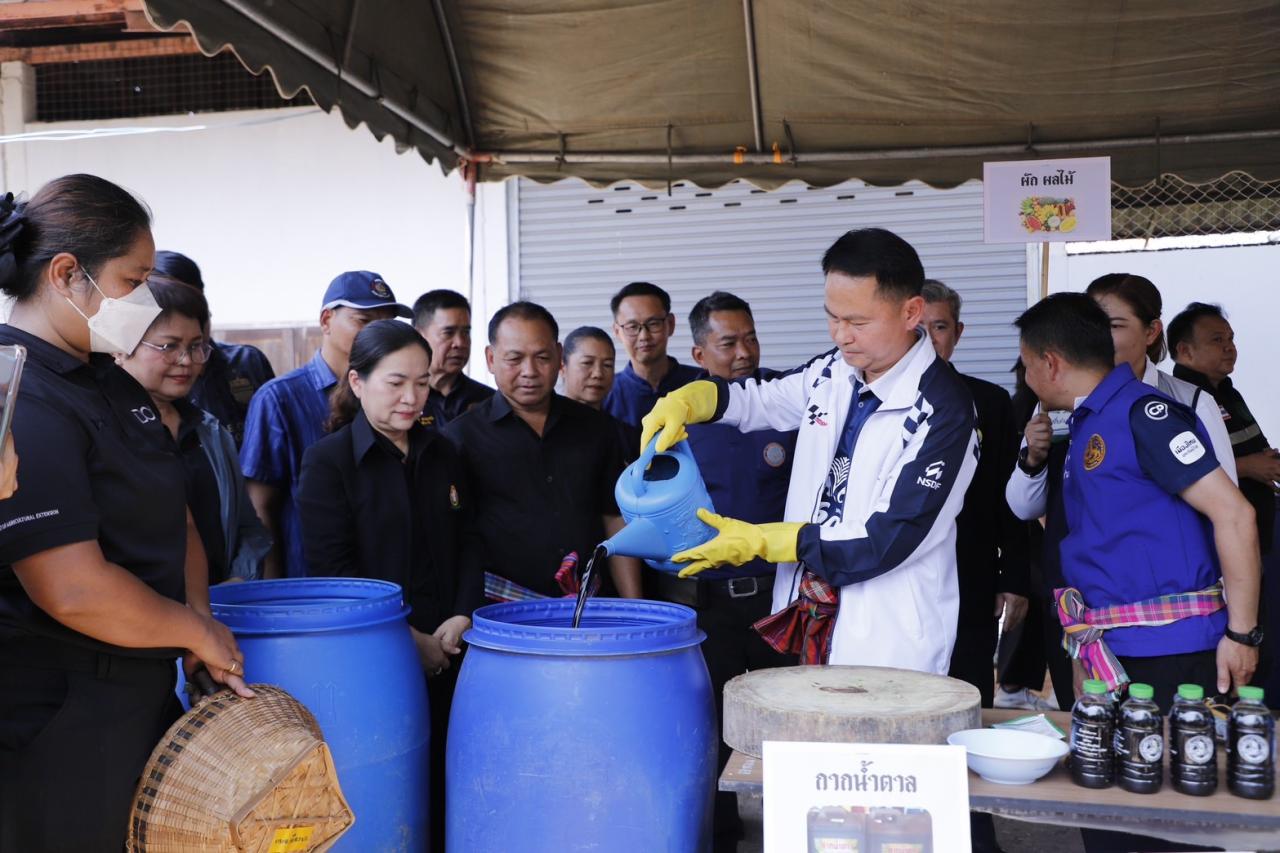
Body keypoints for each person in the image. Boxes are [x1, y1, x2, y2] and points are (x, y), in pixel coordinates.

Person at [0, 175, 251, 850]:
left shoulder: (107, 375)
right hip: (64, 716)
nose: (144, 298)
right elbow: (72, 587)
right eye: (132, 278)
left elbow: (179, 516)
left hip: (141, 696)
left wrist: (196, 621)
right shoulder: (22, 391)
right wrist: (192, 633)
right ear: (65, 273)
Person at [644, 228, 978, 671]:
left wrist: (767, 540)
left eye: (857, 322)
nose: (841, 335)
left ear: (911, 311)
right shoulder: (833, 371)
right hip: (807, 617)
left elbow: (885, 539)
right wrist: (692, 400)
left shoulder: (945, 411)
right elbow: (760, 399)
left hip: (884, 636)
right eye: (832, 317)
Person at [1017, 292, 1261, 853]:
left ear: (1050, 361)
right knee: (1112, 819)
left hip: (1172, 656)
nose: (1026, 376)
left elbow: (1235, 512)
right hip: (1113, 653)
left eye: (1027, 363)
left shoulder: (1142, 414)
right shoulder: (1086, 423)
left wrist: (1242, 633)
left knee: (1172, 823)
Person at [296, 319, 482, 852]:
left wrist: (463, 615)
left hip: (454, 646)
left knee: (453, 784)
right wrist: (407, 640)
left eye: (421, 382)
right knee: (389, 791)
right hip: (375, 658)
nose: (411, 396)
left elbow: (470, 539)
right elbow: (334, 575)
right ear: (357, 383)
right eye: (395, 382)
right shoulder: (328, 463)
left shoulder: (444, 452)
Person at [680, 290, 797, 850]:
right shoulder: (683, 415)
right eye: (729, 343)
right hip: (713, 602)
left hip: (784, 598)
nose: (745, 352)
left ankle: (795, 828)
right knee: (717, 721)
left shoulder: (786, 402)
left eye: (750, 337)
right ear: (700, 353)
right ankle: (722, 833)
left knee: (792, 720)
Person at [444, 302, 643, 600]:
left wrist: (634, 606)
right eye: (515, 359)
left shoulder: (597, 428)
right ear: (490, 358)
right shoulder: (460, 438)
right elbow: (454, 537)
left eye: (542, 357)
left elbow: (614, 519)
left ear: (560, 356)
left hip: (591, 604)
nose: (530, 371)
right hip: (501, 609)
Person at [240, 271, 410, 579]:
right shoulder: (279, 399)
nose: (376, 333)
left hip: (390, 582)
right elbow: (260, 508)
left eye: (385, 323)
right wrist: (276, 594)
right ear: (326, 320)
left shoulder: (399, 396)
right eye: (364, 320)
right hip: (310, 585)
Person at [116, 274, 271, 584]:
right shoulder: (105, 430)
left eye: (196, 346)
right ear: (120, 348)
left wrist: (239, 580)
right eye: (168, 346)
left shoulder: (209, 432)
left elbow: (247, 527)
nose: (186, 361)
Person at [920, 280, 1030, 709]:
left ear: (958, 333)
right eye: (920, 327)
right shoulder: (870, 399)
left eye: (941, 327)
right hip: (896, 577)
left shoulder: (990, 401)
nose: (929, 338)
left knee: (967, 696)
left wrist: (1015, 577)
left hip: (971, 574)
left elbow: (1012, 495)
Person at [1086, 275, 1236, 483]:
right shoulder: (1066, 398)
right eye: (1090, 325)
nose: (1097, 336)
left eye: (1114, 326)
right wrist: (1032, 463)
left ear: (1151, 332)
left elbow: (1227, 504)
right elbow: (1028, 506)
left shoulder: (1194, 402)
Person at [1169, 302, 1276, 555]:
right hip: (1215, 539)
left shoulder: (1228, 392)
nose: (1230, 347)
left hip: (1255, 531)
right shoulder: (1178, 398)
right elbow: (1180, 470)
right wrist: (1249, 466)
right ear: (1185, 351)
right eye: (1217, 340)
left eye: (1231, 338)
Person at [153, 250, 275, 447]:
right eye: (168, 345)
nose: (185, 361)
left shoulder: (247, 361)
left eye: (192, 306)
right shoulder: (143, 379)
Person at [603, 281, 701, 429]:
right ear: (617, 332)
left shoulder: (700, 384)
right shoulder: (606, 393)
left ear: (671, 324)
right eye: (632, 327)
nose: (644, 336)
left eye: (653, 323)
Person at [411, 289, 493, 428]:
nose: (460, 343)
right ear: (419, 336)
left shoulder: (488, 402)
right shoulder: (402, 399)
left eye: (465, 333)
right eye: (448, 333)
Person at [560, 325, 640, 461]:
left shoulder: (626, 437)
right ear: (562, 367)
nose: (598, 374)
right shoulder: (543, 428)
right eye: (587, 363)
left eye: (607, 365)